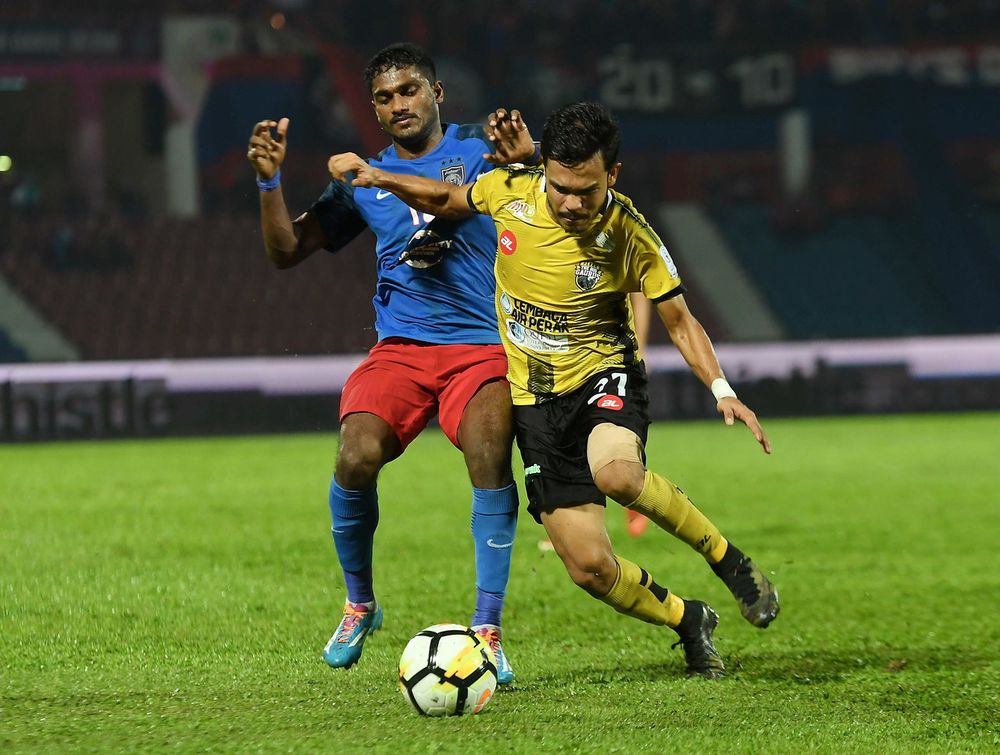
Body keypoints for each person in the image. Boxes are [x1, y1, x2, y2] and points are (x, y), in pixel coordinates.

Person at [326, 101, 779, 679]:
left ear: (612, 176)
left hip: (603, 376)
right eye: (559, 187)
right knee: (589, 566)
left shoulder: (632, 234)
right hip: (536, 402)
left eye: (584, 191)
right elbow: (444, 199)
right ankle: (688, 619)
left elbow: (680, 321)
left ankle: (729, 561)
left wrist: (721, 388)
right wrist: (378, 174)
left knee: (615, 472)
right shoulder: (509, 192)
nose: (569, 203)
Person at [246, 43, 537, 682]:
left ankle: (486, 629)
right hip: (400, 351)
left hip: (483, 345)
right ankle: (360, 605)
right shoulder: (357, 181)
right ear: (374, 111)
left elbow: (492, 192)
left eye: (410, 90)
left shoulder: (478, 149)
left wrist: (529, 157)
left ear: (438, 93)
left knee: (488, 449)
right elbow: (287, 251)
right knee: (355, 455)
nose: (399, 104)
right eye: (384, 97)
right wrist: (270, 182)